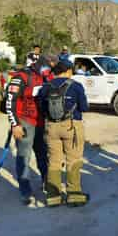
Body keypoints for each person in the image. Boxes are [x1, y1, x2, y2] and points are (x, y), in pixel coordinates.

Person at [39, 60, 89, 207]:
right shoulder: (76, 86)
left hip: (51, 127)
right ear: (68, 71)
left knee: (54, 161)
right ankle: (74, 195)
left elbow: (42, 108)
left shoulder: (45, 87)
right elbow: (84, 107)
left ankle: (53, 197)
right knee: (73, 160)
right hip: (71, 126)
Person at [5, 55, 53, 205]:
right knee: (24, 156)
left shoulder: (46, 77)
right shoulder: (20, 77)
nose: (48, 70)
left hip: (40, 122)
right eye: (47, 67)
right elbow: (10, 102)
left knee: (43, 154)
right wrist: (15, 125)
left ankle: (47, 183)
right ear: (38, 65)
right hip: (24, 122)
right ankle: (25, 190)